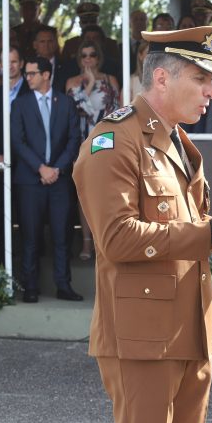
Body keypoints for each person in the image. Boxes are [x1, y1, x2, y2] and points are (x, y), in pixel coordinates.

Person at [72, 25, 212, 423]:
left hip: (188, 330)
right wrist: (209, 233)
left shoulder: (177, 141)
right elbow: (116, 238)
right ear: (163, 78)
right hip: (142, 338)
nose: (211, 92)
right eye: (202, 79)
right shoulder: (112, 141)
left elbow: (188, 228)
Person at [10, 56, 81, 303]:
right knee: (31, 236)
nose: (26, 77)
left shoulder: (66, 103)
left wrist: (57, 169)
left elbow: (74, 139)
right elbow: (17, 141)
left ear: (46, 75)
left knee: (62, 236)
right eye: (26, 74)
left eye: (31, 73)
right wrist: (40, 168)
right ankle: (30, 287)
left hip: (59, 180)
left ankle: (64, 286)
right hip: (30, 180)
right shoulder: (20, 104)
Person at [66, 40, 121, 260]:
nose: (88, 59)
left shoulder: (110, 80)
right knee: (84, 194)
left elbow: (117, 113)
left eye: (92, 55)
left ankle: (104, 241)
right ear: (79, 59)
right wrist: (87, 87)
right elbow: (73, 112)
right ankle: (87, 243)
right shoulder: (72, 82)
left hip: (105, 141)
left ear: (98, 57)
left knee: (106, 194)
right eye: (84, 56)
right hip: (80, 142)